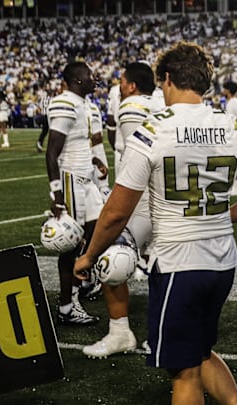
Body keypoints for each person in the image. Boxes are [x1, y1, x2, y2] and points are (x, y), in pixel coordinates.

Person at [73, 41, 237, 404]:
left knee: (183, 369)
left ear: (166, 79)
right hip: (223, 262)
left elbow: (116, 211)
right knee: (197, 350)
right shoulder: (230, 125)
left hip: (180, 262)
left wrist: (89, 255)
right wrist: (221, 217)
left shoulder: (152, 130)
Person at [82, 62, 165, 359]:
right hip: (172, 201)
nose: (119, 86)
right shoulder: (165, 103)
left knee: (111, 258)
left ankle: (120, 332)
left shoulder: (131, 106)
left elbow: (137, 156)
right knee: (166, 267)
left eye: (121, 81)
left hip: (143, 200)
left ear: (131, 86)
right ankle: (163, 335)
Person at [46, 61, 107, 325]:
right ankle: (67, 306)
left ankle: (79, 285)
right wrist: (57, 195)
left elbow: (81, 142)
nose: (95, 79)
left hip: (87, 178)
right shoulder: (65, 102)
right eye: (90, 76)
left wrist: (94, 162)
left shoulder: (85, 104)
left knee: (97, 233)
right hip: (70, 179)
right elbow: (52, 152)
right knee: (70, 246)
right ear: (78, 80)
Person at [36, 88, 53, 152]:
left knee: (44, 131)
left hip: (43, 115)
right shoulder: (52, 99)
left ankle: (40, 142)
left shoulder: (43, 99)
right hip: (50, 116)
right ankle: (51, 146)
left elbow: (38, 108)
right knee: (52, 131)